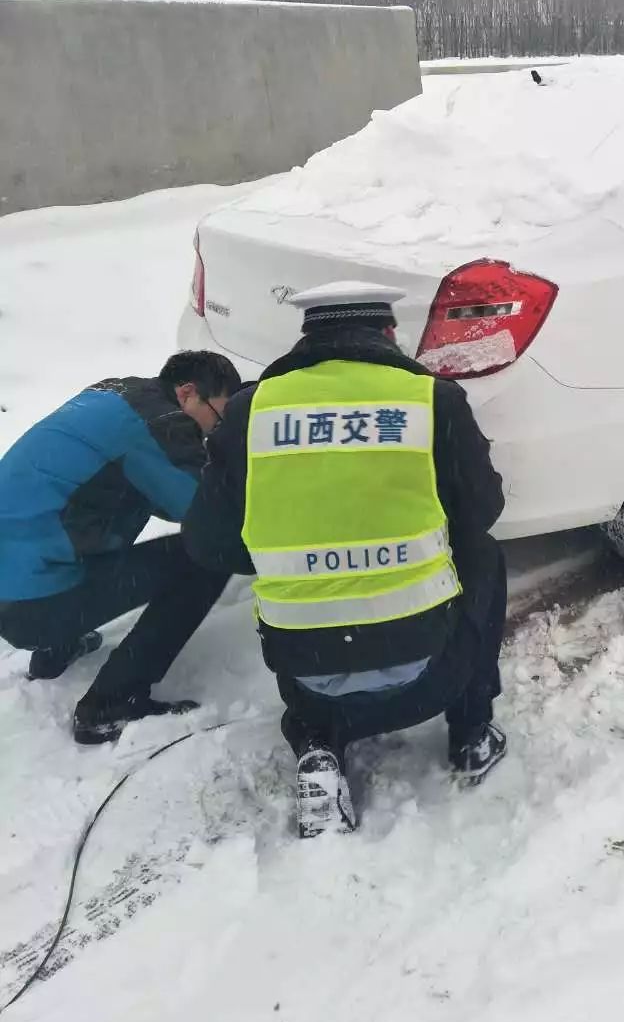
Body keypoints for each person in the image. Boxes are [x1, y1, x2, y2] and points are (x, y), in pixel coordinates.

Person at [182, 282, 507, 838]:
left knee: (314, 668)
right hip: (430, 671)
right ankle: (472, 731)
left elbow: (210, 544)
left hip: (307, 672)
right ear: (387, 334)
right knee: (483, 554)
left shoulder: (249, 411)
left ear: (308, 335)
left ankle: (317, 748)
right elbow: (483, 508)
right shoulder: (431, 399)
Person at [0, 351, 242, 744]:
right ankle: (111, 704)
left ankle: (54, 648)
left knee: (94, 506)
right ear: (188, 393)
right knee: (205, 556)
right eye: (219, 416)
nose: (216, 430)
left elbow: (148, 490)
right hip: (30, 602)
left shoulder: (116, 396)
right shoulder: (162, 424)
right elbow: (204, 515)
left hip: (14, 582)